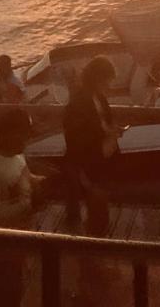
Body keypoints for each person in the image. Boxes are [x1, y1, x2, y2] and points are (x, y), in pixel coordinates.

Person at [0, 108, 45, 307]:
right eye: (24, 135)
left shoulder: (17, 156)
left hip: (15, 244)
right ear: (9, 133)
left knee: (14, 295)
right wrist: (28, 205)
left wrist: (47, 184)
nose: (27, 141)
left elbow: (27, 179)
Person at [63, 55, 120, 233]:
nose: (109, 85)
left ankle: (94, 235)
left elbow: (101, 123)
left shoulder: (98, 97)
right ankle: (93, 243)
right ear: (98, 78)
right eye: (107, 80)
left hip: (100, 158)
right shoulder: (80, 102)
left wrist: (111, 130)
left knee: (99, 205)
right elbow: (75, 137)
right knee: (97, 208)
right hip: (89, 161)